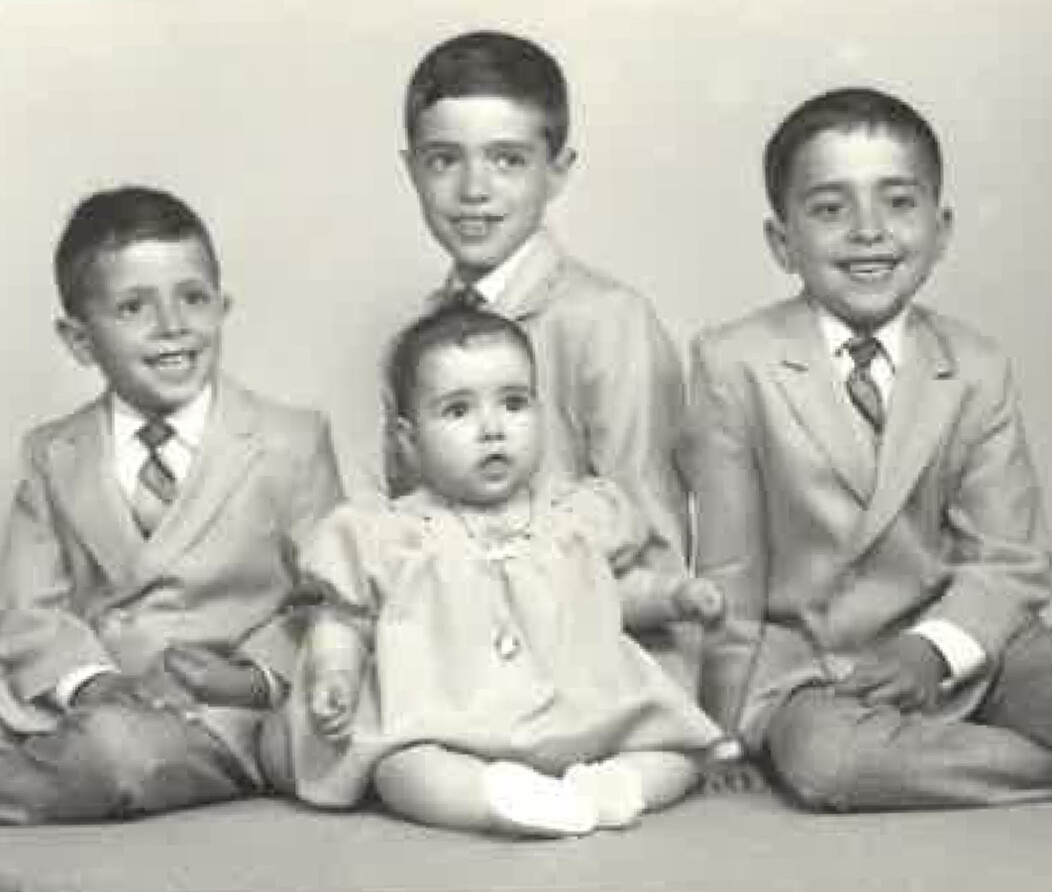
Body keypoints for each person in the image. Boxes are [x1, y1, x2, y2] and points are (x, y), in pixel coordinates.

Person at [681, 86, 1052, 811]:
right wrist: (718, 730)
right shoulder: (734, 362)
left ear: (941, 230)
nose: (868, 231)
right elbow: (729, 567)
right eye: (830, 208)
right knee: (833, 764)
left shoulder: (976, 366)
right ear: (782, 241)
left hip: (968, 651)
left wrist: (935, 649)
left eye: (898, 203)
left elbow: (1009, 561)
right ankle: (1031, 767)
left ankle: (961, 742)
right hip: (816, 673)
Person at [262, 305, 725, 837]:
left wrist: (674, 597)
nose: (492, 429)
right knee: (402, 770)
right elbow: (340, 620)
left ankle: (612, 785)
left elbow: (608, 592)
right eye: (458, 411)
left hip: (582, 714)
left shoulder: (574, 518)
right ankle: (500, 798)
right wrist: (335, 674)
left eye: (513, 403)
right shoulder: (390, 535)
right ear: (408, 442)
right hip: (450, 721)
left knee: (677, 751)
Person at [0, 185, 344, 823]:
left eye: (193, 298)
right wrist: (90, 682)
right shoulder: (53, 454)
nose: (172, 326)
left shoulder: (290, 442)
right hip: (82, 699)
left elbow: (329, 598)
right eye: (133, 307)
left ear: (223, 307)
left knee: (113, 755)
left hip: (216, 715)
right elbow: (27, 609)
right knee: (90, 731)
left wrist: (250, 679)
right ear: (79, 340)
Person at [388, 30, 696, 688]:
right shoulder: (418, 338)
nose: (475, 189)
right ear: (411, 168)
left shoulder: (610, 322)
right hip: (460, 660)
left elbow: (655, 538)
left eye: (507, 161)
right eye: (445, 160)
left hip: (587, 659)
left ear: (558, 170)